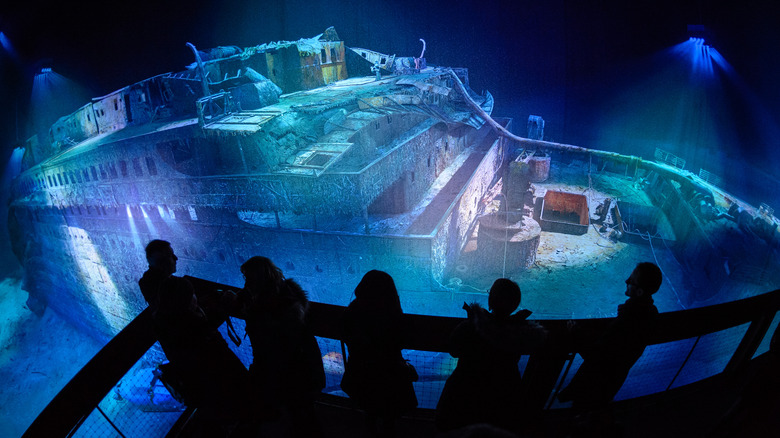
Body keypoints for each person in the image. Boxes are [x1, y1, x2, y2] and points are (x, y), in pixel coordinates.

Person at [557, 262, 662, 435]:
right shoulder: (649, 315)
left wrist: (575, 333)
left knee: (583, 416)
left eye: (632, 279)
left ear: (640, 291)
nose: (626, 280)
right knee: (593, 413)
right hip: (612, 382)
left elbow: (598, 354)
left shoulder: (628, 321)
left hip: (596, 383)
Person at [435, 278, 548, 434]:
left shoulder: (470, 326)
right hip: (504, 395)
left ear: (491, 300)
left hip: (464, 393)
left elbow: (454, 350)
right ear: (515, 304)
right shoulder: (521, 333)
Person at [236, 256, 325, 437]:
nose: (246, 283)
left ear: (258, 279)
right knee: (303, 410)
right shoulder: (286, 294)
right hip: (303, 366)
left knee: (298, 409)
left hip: (291, 371)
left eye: (248, 278)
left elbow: (271, 345)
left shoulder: (268, 307)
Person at [152, 276, 251, 437]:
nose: (195, 298)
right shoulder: (193, 326)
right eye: (192, 295)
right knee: (241, 414)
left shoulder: (164, 323)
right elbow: (217, 353)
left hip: (202, 390)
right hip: (222, 383)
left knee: (227, 420)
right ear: (184, 301)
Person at [340, 270, 418, 437]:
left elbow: (347, 335)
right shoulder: (391, 313)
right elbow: (401, 341)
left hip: (361, 372)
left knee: (369, 411)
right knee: (389, 416)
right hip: (389, 374)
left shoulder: (353, 310)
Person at [139, 239, 178, 307]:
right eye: (170, 255)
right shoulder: (176, 285)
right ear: (160, 262)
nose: (176, 258)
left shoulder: (145, 282)